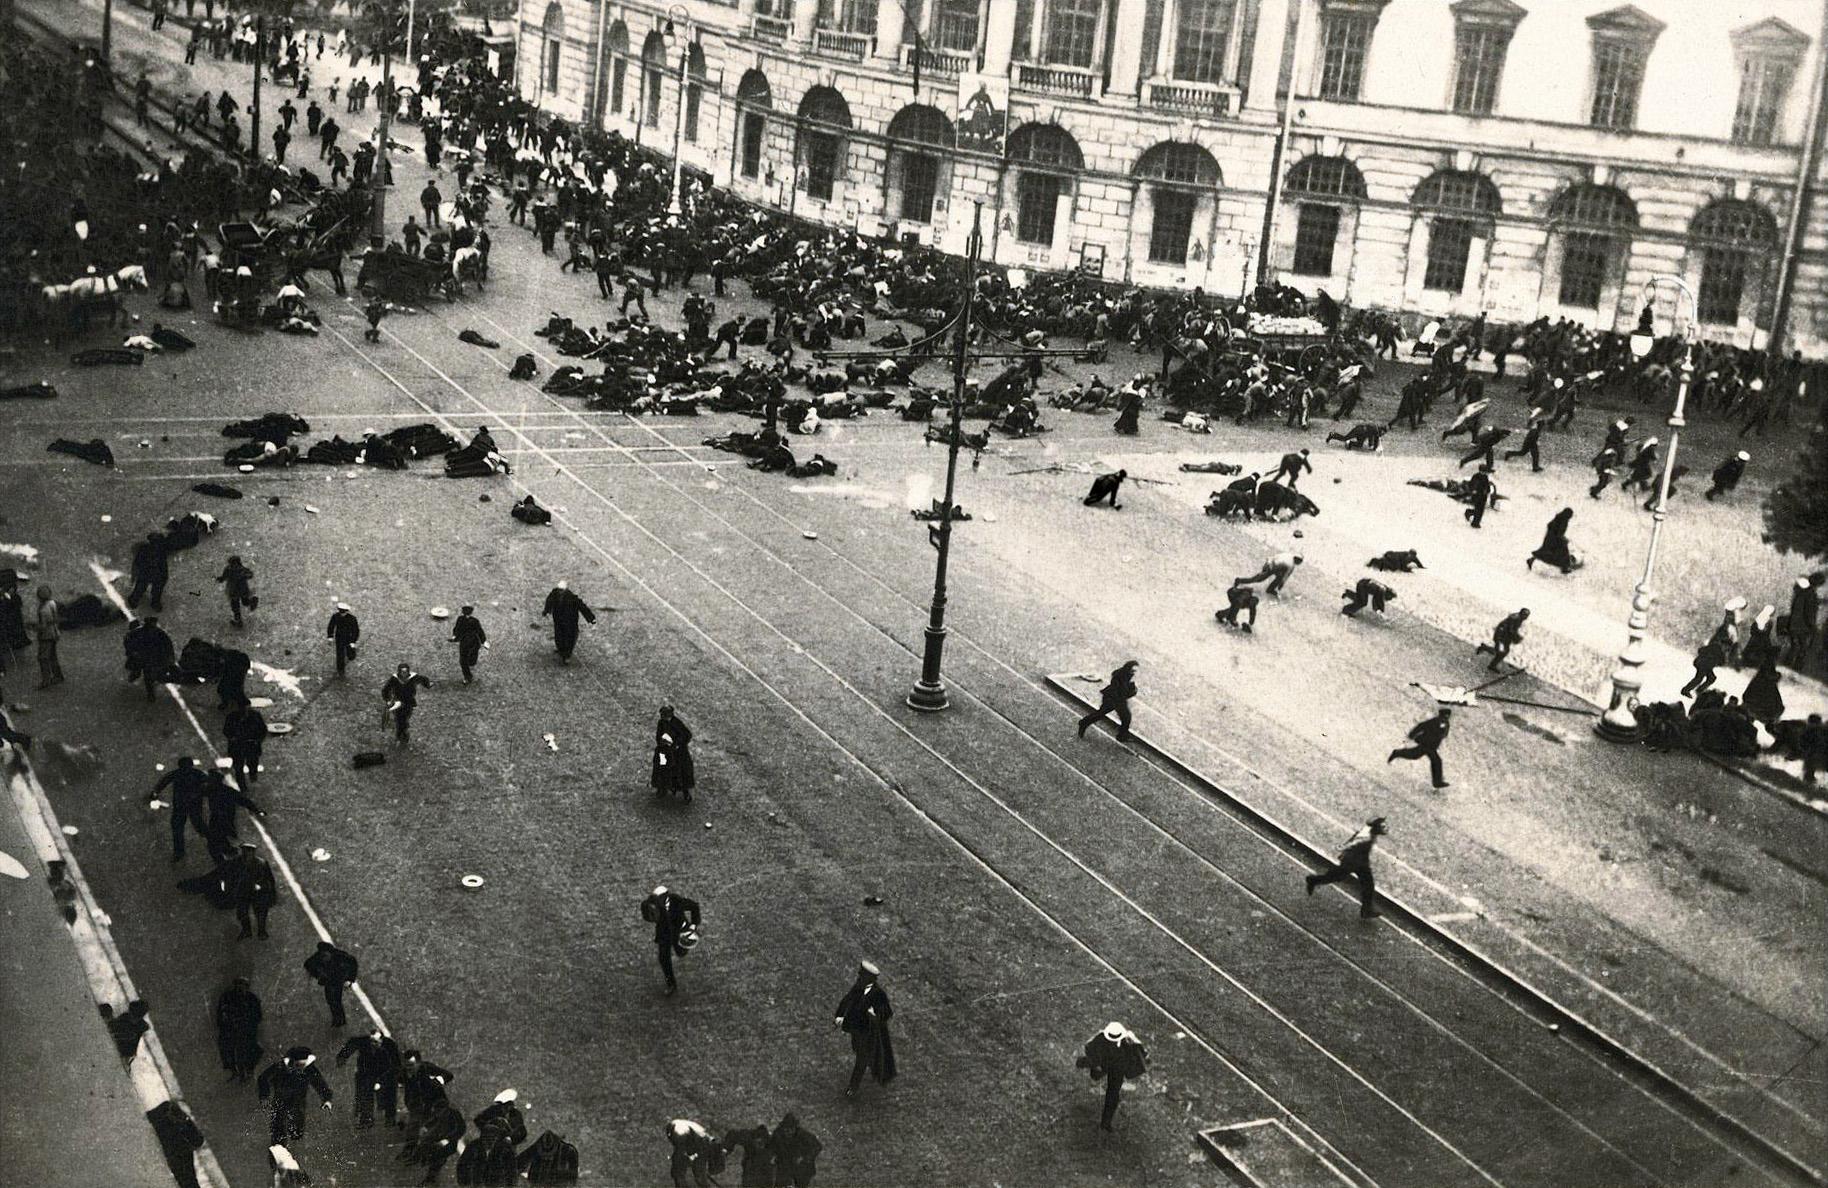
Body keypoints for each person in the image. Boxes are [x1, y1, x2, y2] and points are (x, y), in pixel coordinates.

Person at [835, 960, 896, 1096]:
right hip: (856, 1030)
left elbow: (887, 1012)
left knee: (861, 1058)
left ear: (870, 978)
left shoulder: (878, 994)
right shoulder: (859, 987)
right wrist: (839, 1015)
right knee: (858, 1050)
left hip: (868, 1033)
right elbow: (847, 1000)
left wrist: (874, 1014)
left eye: (862, 975)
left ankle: (853, 1086)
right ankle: (871, 1061)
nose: (859, 977)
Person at [1306, 817, 1387, 918]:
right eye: (1382, 826)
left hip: (1360, 862)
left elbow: (1354, 838)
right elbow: (1354, 843)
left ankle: (1366, 910)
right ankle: (1313, 880)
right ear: (1376, 827)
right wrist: (1343, 849)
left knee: (1368, 885)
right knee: (1336, 877)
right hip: (1352, 862)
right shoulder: (1367, 837)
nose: (1385, 828)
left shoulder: (1368, 832)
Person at [1077, 1021, 1148, 1131]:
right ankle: (1084, 1063)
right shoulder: (1100, 1038)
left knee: (1113, 1095)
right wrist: (1096, 1064)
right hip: (1105, 1064)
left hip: (1117, 1069)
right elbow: (1090, 1048)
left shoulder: (1129, 1041)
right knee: (1096, 1076)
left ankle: (1106, 1123)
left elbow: (1140, 1052)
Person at [256, 1046, 334, 1145]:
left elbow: (320, 1084)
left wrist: (327, 1099)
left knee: (297, 1132)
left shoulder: (309, 1069)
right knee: (278, 1130)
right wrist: (264, 1096)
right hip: (280, 1100)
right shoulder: (280, 1067)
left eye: (303, 1065)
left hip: (298, 1102)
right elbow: (263, 1078)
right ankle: (278, 1148)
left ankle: (294, 1138)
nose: (301, 1068)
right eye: (298, 1065)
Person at [641, 885, 702, 996]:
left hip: (678, 933)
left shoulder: (677, 902)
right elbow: (648, 913)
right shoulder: (656, 905)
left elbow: (694, 906)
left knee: (681, 952)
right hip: (664, 934)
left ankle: (682, 948)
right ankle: (671, 984)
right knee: (663, 958)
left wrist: (693, 926)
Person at [335, 1028, 402, 1128]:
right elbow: (352, 1043)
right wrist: (342, 1057)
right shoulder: (364, 1041)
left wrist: (382, 1081)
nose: (372, 1044)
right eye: (371, 1041)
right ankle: (366, 1119)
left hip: (384, 1071)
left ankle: (390, 1118)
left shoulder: (390, 1045)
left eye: (375, 1042)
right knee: (364, 1094)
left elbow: (396, 1064)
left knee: (389, 1094)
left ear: (381, 1040)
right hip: (366, 1071)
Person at [150, 756, 211, 862]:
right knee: (198, 825)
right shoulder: (197, 774)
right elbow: (208, 784)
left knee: (178, 828)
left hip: (180, 805)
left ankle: (179, 852)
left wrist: (155, 792)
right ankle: (217, 842)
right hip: (193, 805)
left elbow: (164, 781)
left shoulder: (177, 774)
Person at [204, 768, 265, 864]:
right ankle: (229, 853)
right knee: (221, 839)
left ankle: (225, 862)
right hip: (226, 818)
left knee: (213, 844)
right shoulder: (226, 790)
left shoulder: (211, 790)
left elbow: (244, 801)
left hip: (219, 819)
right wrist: (256, 810)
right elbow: (244, 801)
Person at [214, 976, 263, 1081]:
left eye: (243, 985)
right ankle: (234, 1071)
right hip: (231, 1029)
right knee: (228, 1049)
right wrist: (225, 1024)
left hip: (247, 1029)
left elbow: (258, 1015)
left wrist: (250, 1025)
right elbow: (221, 1013)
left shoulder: (252, 998)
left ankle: (249, 1070)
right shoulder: (227, 997)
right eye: (238, 985)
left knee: (252, 1049)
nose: (240, 988)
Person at [1388, 708, 1452, 789]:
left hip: (1431, 746)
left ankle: (1437, 782)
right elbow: (1421, 726)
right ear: (1441, 714)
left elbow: (1442, 735)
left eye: (1447, 716)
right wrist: (1412, 735)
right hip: (1426, 744)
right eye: (1444, 715)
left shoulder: (1444, 723)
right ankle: (1437, 782)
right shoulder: (1437, 721)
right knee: (1435, 760)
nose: (1445, 717)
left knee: (1418, 756)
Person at [1077, 660, 1139, 742]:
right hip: (1113, 698)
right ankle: (1084, 722)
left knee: (1126, 717)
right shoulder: (1120, 676)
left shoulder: (1126, 675)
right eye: (1133, 670)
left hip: (1118, 699)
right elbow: (1120, 689)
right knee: (1102, 714)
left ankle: (1122, 736)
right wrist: (1131, 690)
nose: (1134, 672)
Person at [303, 940, 359, 1028]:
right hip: (329, 980)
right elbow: (307, 964)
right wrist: (318, 975)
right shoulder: (319, 957)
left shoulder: (340, 956)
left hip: (338, 979)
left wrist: (350, 979)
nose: (324, 957)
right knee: (330, 1000)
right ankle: (338, 1019)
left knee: (336, 1000)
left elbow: (353, 962)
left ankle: (339, 1020)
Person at [542, 581, 597, 663]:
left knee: (570, 638)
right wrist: (546, 611)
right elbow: (549, 602)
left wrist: (591, 618)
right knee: (559, 636)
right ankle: (561, 650)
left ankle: (567, 655)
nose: (560, 592)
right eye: (559, 590)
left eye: (562, 590)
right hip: (559, 620)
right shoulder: (554, 594)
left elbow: (582, 607)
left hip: (570, 621)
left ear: (565, 590)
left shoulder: (572, 598)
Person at [125, 616, 177, 702]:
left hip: (150, 659)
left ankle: (150, 693)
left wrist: (169, 657)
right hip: (143, 657)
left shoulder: (158, 633)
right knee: (141, 671)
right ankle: (136, 675)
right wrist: (132, 652)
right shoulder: (155, 633)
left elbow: (168, 646)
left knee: (148, 677)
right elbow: (128, 640)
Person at [223, 697, 268, 790]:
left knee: (252, 763)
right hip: (238, 746)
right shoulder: (232, 717)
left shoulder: (255, 716)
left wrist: (258, 740)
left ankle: (252, 773)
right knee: (238, 767)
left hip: (251, 745)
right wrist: (232, 738)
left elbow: (263, 730)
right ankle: (242, 785)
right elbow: (226, 730)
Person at [652, 706, 695, 801]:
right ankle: (662, 788)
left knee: (681, 772)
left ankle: (685, 792)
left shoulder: (677, 723)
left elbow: (687, 735)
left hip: (678, 753)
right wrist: (662, 742)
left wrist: (677, 744)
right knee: (661, 768)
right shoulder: (661, 723)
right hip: (664, 751)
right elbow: (658, 735)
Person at [381, 663, 431, 744]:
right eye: (402, 672)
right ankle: (401, 733)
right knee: (399, 718)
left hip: (409, 701)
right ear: (399, 672)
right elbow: (386, 689)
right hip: (398, 701)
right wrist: (388, 699)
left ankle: (402, 731)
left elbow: (423, 679)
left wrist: (428, 685)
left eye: (405, 672)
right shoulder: (394, 679)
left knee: (405, 716)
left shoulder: (413, 677)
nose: (404, 674)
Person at [667, 1119, 725, 1188]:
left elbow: (697, 1151)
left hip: (680, 1132)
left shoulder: (702, 1139)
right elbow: (680, 1146)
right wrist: (689, 1156)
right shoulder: (679, 1132)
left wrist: (693, 1156)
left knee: (697, 1172)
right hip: (685, 1136)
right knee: (680, 1170)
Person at [769, 1114, 821, 1187]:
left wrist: (804, 1157)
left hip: (801, 1166)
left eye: (791, 1129)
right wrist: (773, 1155)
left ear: (795, 1128)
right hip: (785, 1164)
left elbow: (817, 1146)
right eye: (786, 1129)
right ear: (783, 1128)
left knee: (801, 1181)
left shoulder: (803, 1135)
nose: (788, 1132)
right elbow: (771, 1146)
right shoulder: (778, 1134)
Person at [126, 531, 172, 610]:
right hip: (145, 573)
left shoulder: (162, 552)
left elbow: (163, 566)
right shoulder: (144, 550)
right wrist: (136, 573)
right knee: (140, 588)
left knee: (156, 590)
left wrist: (164, 577)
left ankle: (154, 601)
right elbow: (137, 562)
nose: (156, 544)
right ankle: (134, 599)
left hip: (157, 574)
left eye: (158, 542)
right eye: (154, 542)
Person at [1528, 508, 1579, 574]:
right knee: (1563, 554)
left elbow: (1549, 525)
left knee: (1544, 551)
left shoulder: (1558, 518)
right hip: (1556, 541)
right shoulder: (1564, 521)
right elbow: (1559, 533)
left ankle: (1531, 560)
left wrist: (1552, 534)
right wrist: (1563, 539)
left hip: (1550, 539)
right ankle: (1564, 568)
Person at [1787, 574, 1823, 667]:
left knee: (1794, 645)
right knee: (1803, 647)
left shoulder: (1801, 592)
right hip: (1803, 626)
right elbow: (1809, 612)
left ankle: (1787, 663)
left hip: (1794, 623)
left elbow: (1797, 606)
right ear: (1818, 584)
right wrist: (1812, 626)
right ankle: (1797, 666)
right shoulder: (1811, 594)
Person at [1235, 552, 1302, 597]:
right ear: (1297, 560)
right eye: (1300, 561)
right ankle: (1239, 580)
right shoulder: (1290, 565)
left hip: (1270, 563)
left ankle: (1270, 589)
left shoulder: (1288, 554)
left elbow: (1275, 557)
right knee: (1257, 579)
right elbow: (1285, 578)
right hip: (1271, 567)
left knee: (1279, 577)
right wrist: (1279, 588)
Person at [35, 587, 63, 689]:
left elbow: (43, 626)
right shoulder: (52, 603)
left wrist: (34, 627)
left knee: (43, 658)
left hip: (46, 636)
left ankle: (45, 680)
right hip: (54, 633)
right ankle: (58, 675)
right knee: (52, 656)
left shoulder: (43, 610)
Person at [217, 555, 258, 626]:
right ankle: (239, 620)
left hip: (237, 590)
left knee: (241, 604)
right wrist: (220, 579)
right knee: (236, 606)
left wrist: (245, 575)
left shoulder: (237, 569)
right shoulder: (230, 569)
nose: (234, 565)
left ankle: (251, 603)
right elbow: (224, 577)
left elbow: (250, 574)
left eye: (235, 563)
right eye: (233, 563)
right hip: (238, 590)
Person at [450, 605, 486, 683]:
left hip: (471, 642)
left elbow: (479, 631)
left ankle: (468, 674)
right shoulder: (469, 620)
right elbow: (457, 629)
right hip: (469, 642)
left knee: (468, 660)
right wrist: (454, 636)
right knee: (464, 660)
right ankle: (468, 676)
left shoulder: (465, 620)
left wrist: (455, 636)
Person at [327, 602, 360, 675]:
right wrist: (330, 636)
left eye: (343, 612)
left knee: (350, 654)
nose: (342, 614)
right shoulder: (335, 616)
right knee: (340, 654)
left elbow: (356, 630)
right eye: (341, 612)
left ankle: (351, 654)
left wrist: (353, 641)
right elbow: (331, 626)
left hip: (349, 638)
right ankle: (340, 669)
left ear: (346, 612)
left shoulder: (352, 618)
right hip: (339, 637)